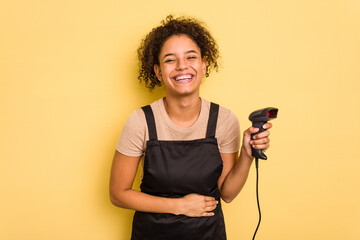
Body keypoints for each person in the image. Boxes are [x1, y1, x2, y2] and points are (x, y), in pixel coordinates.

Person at [109, 15, 272, 240]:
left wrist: (246, 154)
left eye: (191, 57)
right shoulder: (140, 122)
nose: (182, 66)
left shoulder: (224, 120)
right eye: (169, 60)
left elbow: (227, 193)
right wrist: (180, 206)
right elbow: (118, 194)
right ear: (157, 72)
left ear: (204, 65)